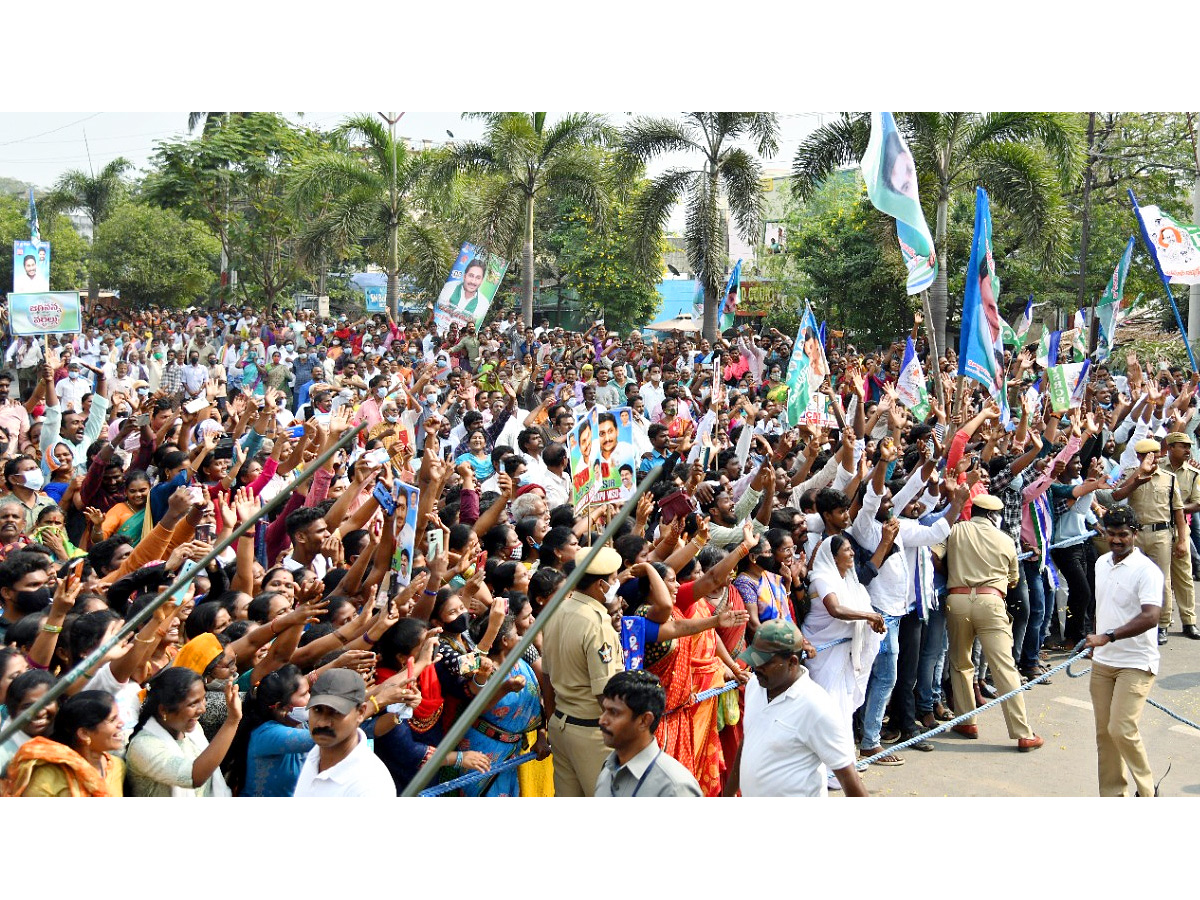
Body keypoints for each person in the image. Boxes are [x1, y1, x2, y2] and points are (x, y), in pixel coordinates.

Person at [939, 494, 1043, 751]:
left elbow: (934, 556)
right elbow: (1013, 579)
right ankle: (1022, 732)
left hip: (957, 599)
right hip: (992, 601)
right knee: (1004, 666)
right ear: (993, 515)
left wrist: (954, 574)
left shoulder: (954, 529)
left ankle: (966, 721)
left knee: (961, 663)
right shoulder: (1006, 540)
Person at [724, 619, 869, 797]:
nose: (756, 667)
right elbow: (747, 742)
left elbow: (848, 778)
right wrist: (728, 795)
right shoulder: (755, 685)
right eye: (754, 658)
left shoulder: (816, 706)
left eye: (764, 661)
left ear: (792, 662)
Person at [1085, 506, 1164, 797]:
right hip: (1103, 663)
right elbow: (1102, 606)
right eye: (1111, 534)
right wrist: (1097, 640)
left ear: (1135, 535)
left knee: (1121, 729)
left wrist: (1109, 636)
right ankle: (1113, 796)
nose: (1116, 540)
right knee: (1105, 735)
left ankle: (1147, 793)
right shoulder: (1102, 562)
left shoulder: (1147, 572)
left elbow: (1151, 616)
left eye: (1123, 535)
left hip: (1136, 663)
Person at [540, 545, 623, 797]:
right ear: (600, 585)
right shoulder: (597, 624)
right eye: (613, 579)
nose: (617, 582)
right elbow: (605, 693)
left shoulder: (558, 610)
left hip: (562, 726)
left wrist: (553, 719)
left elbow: (546, 676)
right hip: (593, 734)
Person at [1112, 438, 1187, 646]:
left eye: (1153, 455)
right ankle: (1136, 621)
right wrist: (1138, 476)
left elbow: (1178, 512)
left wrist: (1182, 540)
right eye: (1145, 456)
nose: (1150, 459)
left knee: (1162, 580)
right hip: (1136, 534)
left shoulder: (1169, 478)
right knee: (1132, 579)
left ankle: (1162, 623)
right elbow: (1117, 495)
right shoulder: (1130, 474)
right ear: (1138, 456)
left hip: (1160, 533)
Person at [125, 666, 239, 797]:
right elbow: (194, 776)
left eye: (203, 699)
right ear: (164, 710)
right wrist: (232, 721)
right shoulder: (143, 746)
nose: (202, 709)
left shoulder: (193, 730)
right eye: (193, 704)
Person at [595, 670, 701, 797]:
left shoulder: (675, 787)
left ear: (644, 721)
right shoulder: (607, 771)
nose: (602, 720)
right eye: (605, 710)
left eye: (614, 712)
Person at [292, 669, 395, 797]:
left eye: (336, 712)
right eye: (317, 710)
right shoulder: (315, 756)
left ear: (361, 712)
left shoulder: (370, 784)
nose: (323, 723)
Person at [1, 691, 125, 797]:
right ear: (84, 733)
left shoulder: (117, 766)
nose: (122, 723)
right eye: (112, 719)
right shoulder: (47, 775)